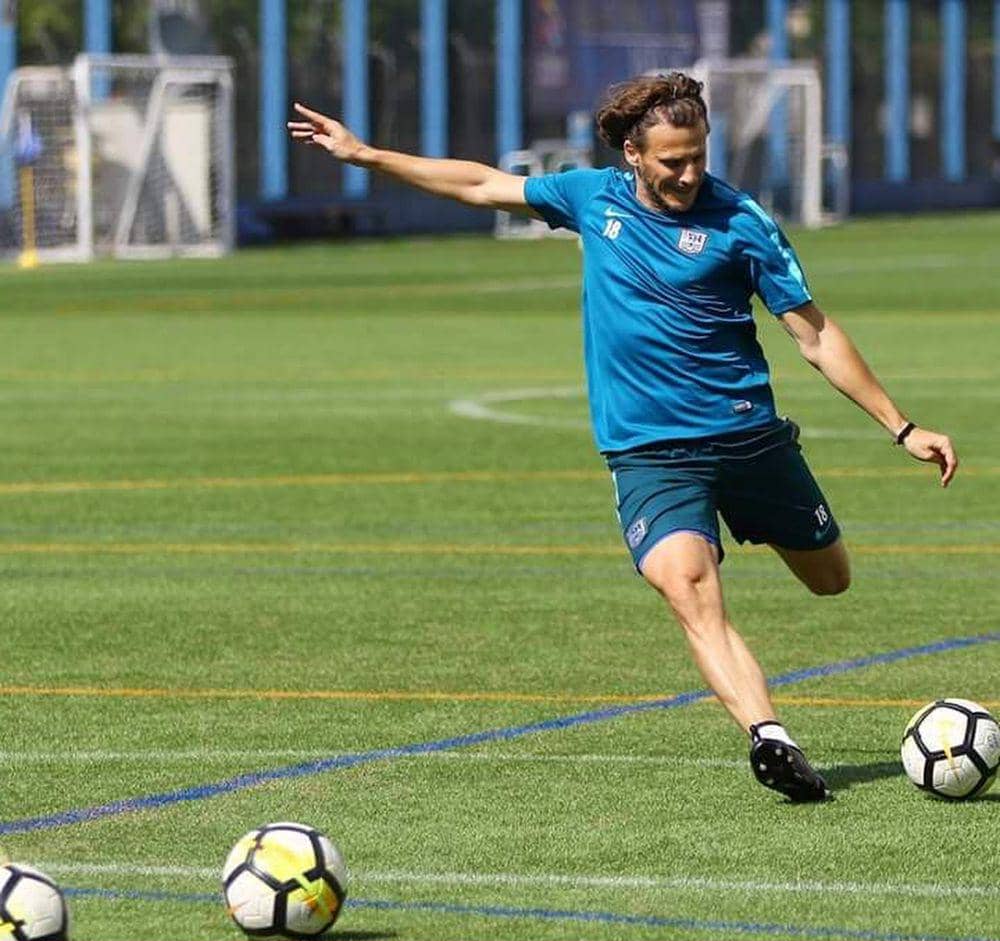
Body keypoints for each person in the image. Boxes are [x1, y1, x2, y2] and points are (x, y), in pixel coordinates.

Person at [288, 73, 957, 802]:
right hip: (649, 453)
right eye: (674, 161)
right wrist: (366, 155)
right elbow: (481, 185)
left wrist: (902, 427)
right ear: (633, 155)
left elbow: (816, 335)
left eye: (699, 155)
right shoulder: (590, 198)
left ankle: (775, 623)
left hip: (748, 441)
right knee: (688, 587)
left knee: (832, 580)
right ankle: (770, 738)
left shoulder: (742, 223)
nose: (690, 173)